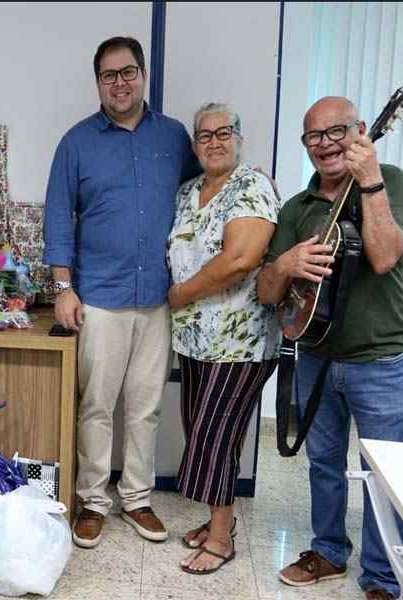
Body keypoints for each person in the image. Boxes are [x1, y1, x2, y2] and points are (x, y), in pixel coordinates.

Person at [42, 35, 201, 548]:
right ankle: (92, 500)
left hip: (159, 297)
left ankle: (137, 498)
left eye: (128, 72)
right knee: (96, 405)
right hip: (100, 299)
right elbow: (57, 219)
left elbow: (205, 195)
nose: (120, 82)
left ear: (143, 74)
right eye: (109, 75)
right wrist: (63, 288)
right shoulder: (76, 142)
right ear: (98, 83)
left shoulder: (175, 137)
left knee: (145, 406)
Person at [257, 96, 403, 600]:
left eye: (336, 132)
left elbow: (386, 256)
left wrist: (368, 179)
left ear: (363, 130)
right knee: (324, 462)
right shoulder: (296, 208)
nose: (325, 144)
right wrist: (286, 265)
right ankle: (327, 552)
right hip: (317, 357)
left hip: (381, 360)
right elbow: (266, 290)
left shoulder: (390, 181)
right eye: (313, 137)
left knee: (382, 474)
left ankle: (384, 575)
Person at [166, 103, 281, 574]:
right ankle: (220, 521)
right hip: (195, 340)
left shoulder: (251, 186)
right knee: (204, 430)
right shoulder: (188, 191)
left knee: (214, 435)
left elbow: (240, 259)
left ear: (239, 137)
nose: (214, 142)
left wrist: (179, 295)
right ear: (194, 145)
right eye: (204, 135)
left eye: (223, 133)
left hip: (241, 341)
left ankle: (220, 538)